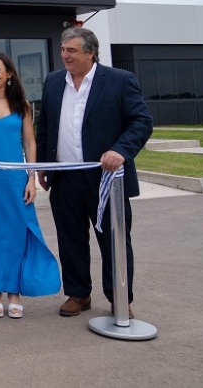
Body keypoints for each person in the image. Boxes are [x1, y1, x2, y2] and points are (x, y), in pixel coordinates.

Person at [36, 27, 152, 317]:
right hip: (64, 178)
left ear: (91, 53)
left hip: (107, 180)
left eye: (72, 51)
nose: (65, 56)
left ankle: (119, 298)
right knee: (70, 239)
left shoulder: (119, 81)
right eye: (63, 50)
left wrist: (121, 150)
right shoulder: (53, 82)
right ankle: (78, 294)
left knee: (114, 240)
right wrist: (43, 165)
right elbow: (45, 126)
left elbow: (141, 122)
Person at [0, 53, 59, 319]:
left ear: (9, 74)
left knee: (16, 233)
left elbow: (29, 143)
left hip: (15, 180)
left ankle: (14, 291)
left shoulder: (22, 104)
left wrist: (31, 178)